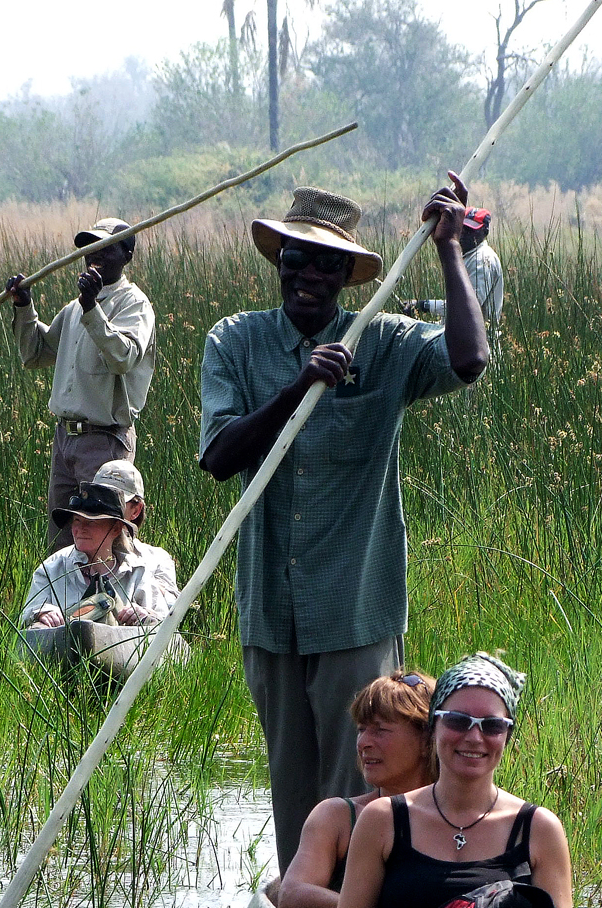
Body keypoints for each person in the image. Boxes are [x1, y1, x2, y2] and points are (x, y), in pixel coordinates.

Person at [199, 179, 489, 871]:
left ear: (346, 277)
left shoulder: (381, 343)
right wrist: (298, 387)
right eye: (296, 259)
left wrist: (451, 253)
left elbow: (469, 359)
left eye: (326, 264)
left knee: (365, 788)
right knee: (294, 797)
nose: (308, 275)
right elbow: (217, 456)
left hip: (356, 612)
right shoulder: (234, 342)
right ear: (279, 263)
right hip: (271, 613)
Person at [330, 653, 573, 908]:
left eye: (492, 725)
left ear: (507, 735)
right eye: (458, 721)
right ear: (433, 728)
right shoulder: (382, 819)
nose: (474, 737)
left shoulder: (540, 828)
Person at [2, 220, 158, 552]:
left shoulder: (134, 305)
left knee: (108, 542)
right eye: (88, 247)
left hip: (104, 441)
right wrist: (23, 305)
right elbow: (35, 354)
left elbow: (123, 357)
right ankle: (65, 604)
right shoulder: (74, 309)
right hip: (66, 440)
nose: (93, 254)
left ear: (127, 255)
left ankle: (119, 604)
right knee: (65, 544)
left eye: (106, 247)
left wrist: (93, 309)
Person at [273, 670, 436, 908]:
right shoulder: (336, 817)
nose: (363, 743)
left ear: (428, 740)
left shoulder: (459, 820)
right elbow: (291, 896)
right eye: (361, 730)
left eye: (381, 730)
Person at [18, 459, 178, 631]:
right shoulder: (53, 567)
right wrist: (41, 613)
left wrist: (145, 616)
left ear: (134, 511)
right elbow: (27, 618)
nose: (80, 529)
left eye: (92, 522)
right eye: (77, 520)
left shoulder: (146, 566)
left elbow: (168, 625)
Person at [404, 208, 503, 325]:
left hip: (476, 340)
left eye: (471, 230)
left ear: (485, 232)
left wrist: (424, 305)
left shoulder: (482, 260)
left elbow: (467, 306)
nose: (464, 233)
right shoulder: (466, 256)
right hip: (461, 335)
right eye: (463, 228)